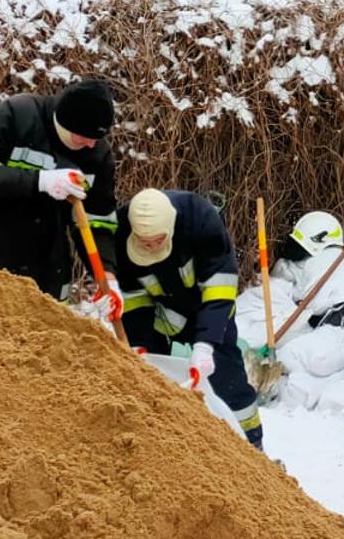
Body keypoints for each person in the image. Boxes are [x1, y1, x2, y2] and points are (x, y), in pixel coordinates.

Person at [113, 188, 264, 447]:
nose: (152, 247)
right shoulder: (121, 232)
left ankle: (252, 447)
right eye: (145, 244)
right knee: (150, 380)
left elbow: (220, 289)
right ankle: (162, 446)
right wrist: (138, 344)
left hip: (210, 311)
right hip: (161, 314)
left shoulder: (201, 221)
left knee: (228, 382)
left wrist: (206, 344)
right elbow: (133, 296)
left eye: (158, 241)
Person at [0, 79, 120, 297]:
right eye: (84, 137)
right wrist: (40, 181)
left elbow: (98, 222)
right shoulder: (17, 116)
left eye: (97, 138)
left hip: (46, 277)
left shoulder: (97, 156)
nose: (91, 144)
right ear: (65, 123)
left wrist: (107, 275)